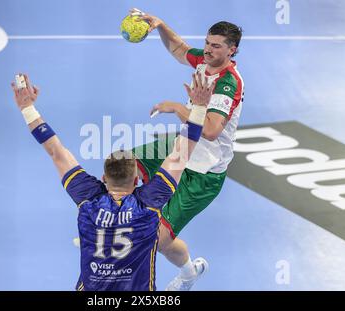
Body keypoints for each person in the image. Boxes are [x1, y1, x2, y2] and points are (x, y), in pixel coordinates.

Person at [11, 73, 214, 291]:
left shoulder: (88, 197)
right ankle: (187, 277)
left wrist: (27, 108)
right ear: (137, 180)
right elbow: (180, 154)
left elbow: (55, 151)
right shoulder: (149, 203)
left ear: (104, 179)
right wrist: (200, 107)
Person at [130, 8, 245, 291]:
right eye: (207, 42)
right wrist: (160, 25)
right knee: (125, 162)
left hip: (203, 172)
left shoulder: (228, 84)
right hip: (184, 144)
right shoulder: (205, 62)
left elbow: (210, 130)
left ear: (232, 50)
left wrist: (177, 107)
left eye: (215, 46)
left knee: (160, 241)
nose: (207, 49)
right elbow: (180, 48)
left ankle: (188, 273)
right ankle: (120, 218)